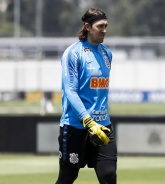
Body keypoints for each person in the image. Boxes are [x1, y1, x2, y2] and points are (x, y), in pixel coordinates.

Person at [55, 7, 117, 184]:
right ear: (88, 26)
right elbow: (70, 91)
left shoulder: (107, 54)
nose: (104, 30)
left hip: (103, 126)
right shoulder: (73, 53)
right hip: (76, 126)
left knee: (109, 176)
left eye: (106, 26)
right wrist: (88, 121)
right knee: (68, 177)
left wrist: (97, 124)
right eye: (100, 26)